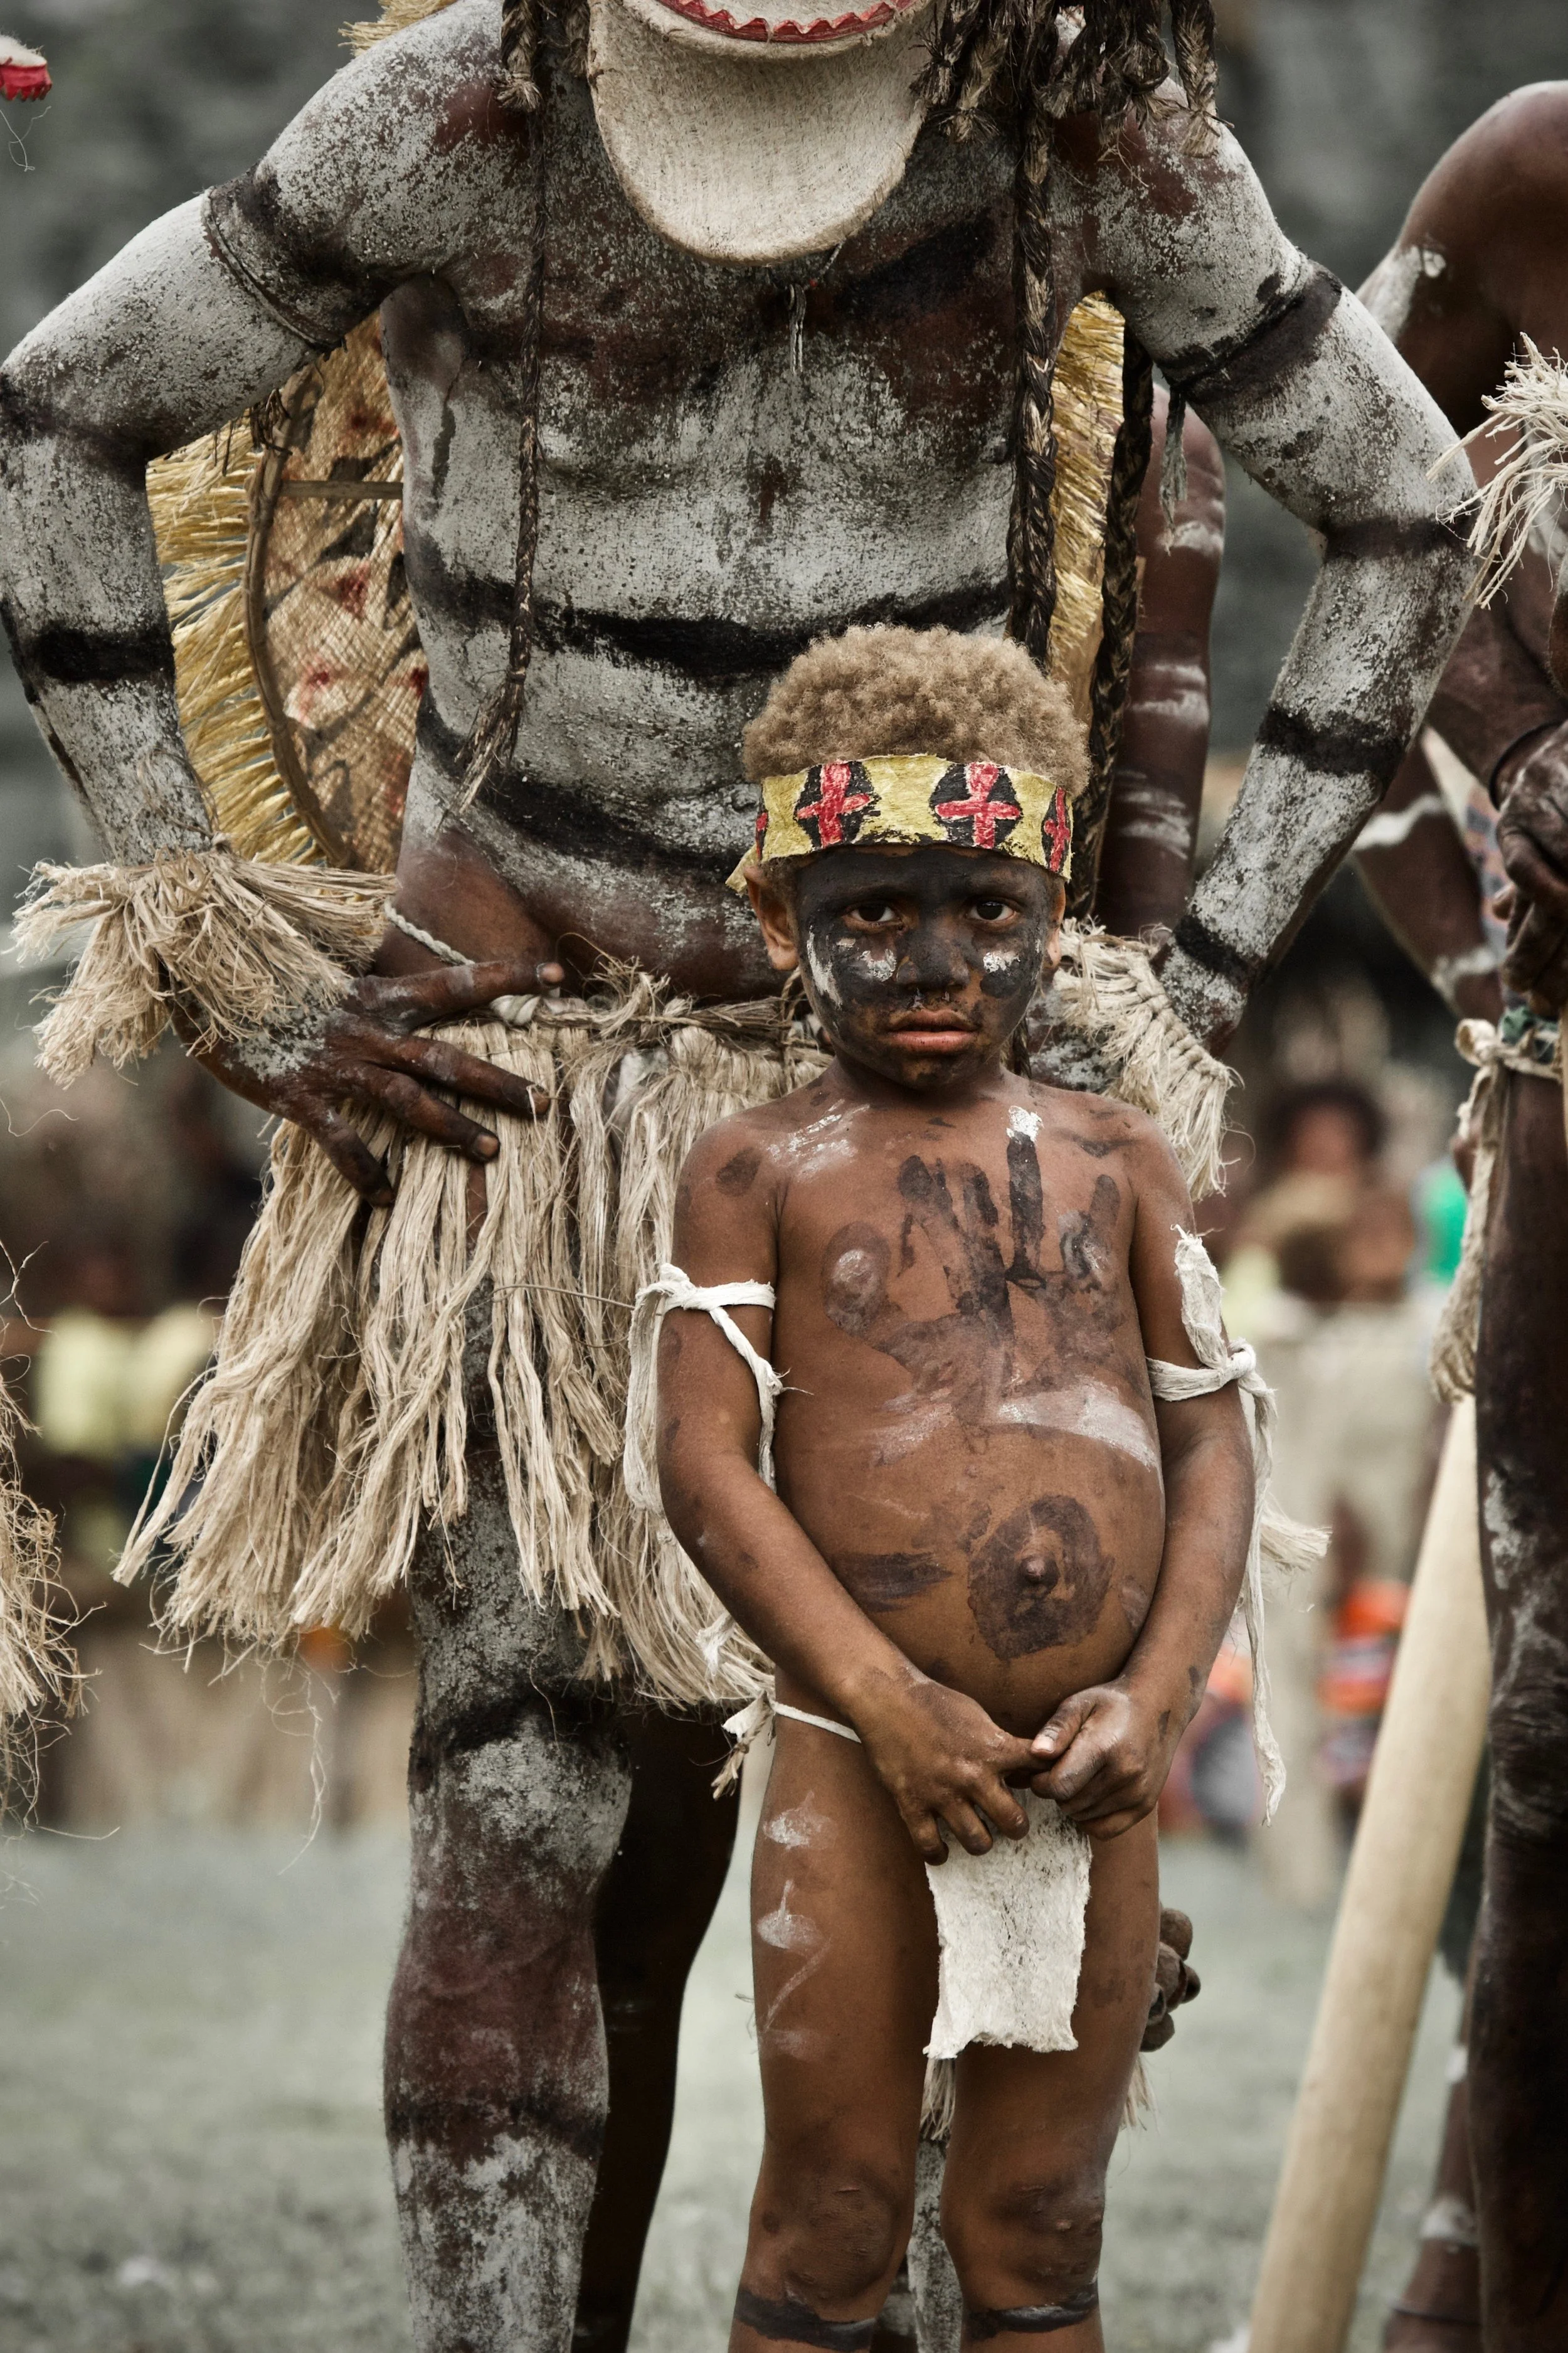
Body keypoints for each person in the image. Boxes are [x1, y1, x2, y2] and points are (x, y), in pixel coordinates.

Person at [0, 0, 1471, 2341]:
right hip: (529, 1103)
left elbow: (1405, 496)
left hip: (921, 1139)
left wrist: (1185, 973)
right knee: (517, 1813)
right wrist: (224, 957)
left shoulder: (1074, 128)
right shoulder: (463, 111)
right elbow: (61, 416)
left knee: (928, 1790)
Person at [638, 625, 1271, 2350]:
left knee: (1038, 2231)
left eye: (983, 912)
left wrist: (1153, 1699)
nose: (931, 958)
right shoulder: (757, 1166)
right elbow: (701, 1456)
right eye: (870, 913)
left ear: (1049, 912)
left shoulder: (1120, 1157)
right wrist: (882, 1699)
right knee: (828, 2224)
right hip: (858, 1756)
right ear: (783, 922)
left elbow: (1213, 1434)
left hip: (1096, 1766)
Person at [1349, 85, 1568, 2353]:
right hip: (1566, 1100)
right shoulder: (1532, 174)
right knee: (1549, 1765)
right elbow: (1353, 495)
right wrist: (1507, 773)